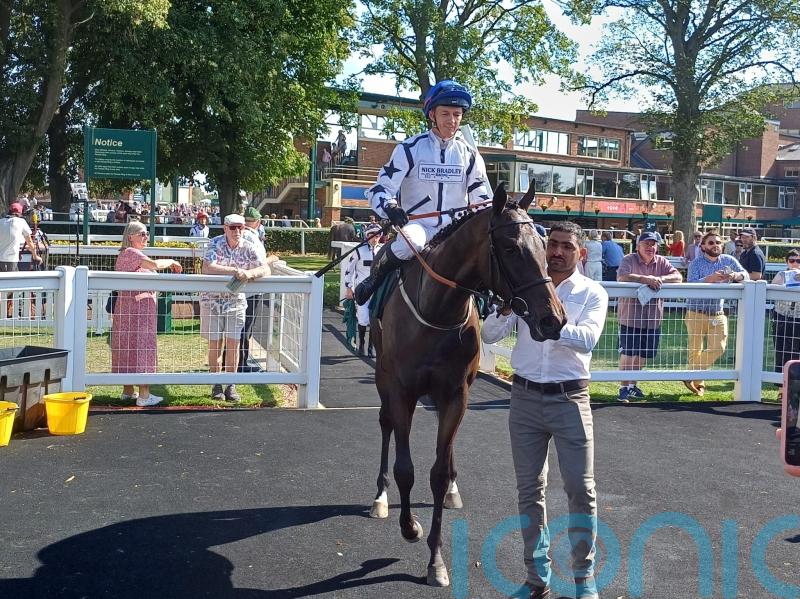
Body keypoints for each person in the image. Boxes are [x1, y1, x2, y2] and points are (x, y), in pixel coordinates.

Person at [481, 222, 607, 599]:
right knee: (529, 491)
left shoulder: (592, 292)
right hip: (523, 399)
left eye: (566, 246)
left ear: (580, 253)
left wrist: (548, 321)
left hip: (570, 400)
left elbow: (587, 341)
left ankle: (584, 579)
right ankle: (537, 579)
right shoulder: (524, 287)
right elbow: (488, 335)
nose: (557, 252)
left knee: (580, 490)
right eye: (552, 244)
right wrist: (506, 311)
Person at [354, 79, 491, 304]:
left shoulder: (471, 155)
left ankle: (490, 305)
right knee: (412, 244)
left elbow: (482, 198)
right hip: (418, 225)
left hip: (455, 228)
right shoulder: (409, 148)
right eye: (445, 113)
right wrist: (390, 207)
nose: (452, 120)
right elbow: (380, 189)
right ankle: (374, 280)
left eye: (457, 114)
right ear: (432, 115)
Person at [111, 221, 182, 407]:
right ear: (130, 236)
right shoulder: (131, 253)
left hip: (130, 309)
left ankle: (128, 391)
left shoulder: (127, 254)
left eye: (146, 233)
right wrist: (172, 261)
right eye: (142, 233)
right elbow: (155, 264)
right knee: (142, 347)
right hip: (137, 310)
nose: (145, 237)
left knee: (127, 346)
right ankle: (144, 394)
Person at [200, 214, 271, 401]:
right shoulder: (215, 243)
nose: (237, 231)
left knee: (234, 344)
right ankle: (216, 385)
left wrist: (248, 273)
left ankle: (231, 385)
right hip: (212, 302)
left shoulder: (248, 245)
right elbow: (207, 267)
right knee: (215, 344)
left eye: (241, 227)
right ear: (225, 228)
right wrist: (234, 271)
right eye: (233, 227)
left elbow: (265, 268)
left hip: (236, 302)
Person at [616, 232, 683, 401]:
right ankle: (623, 388)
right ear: (638, 245)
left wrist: (660, 278)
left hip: (653, 318)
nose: (650, 247)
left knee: (644, 354)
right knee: (628, 353)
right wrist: (644, 279)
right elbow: (622, 276)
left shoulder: (662, 262)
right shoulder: (628, 260)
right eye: (646, 243)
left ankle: (633, 386)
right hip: (630, 316)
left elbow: (678, 277)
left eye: (653, 244)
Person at [684, 231, 749, 396]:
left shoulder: (728, 260)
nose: (715, 245)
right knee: (695, 349)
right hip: (695, 312)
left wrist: (734, 275)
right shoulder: (696, 264)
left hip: (717, 313)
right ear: (703, 246)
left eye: (718, 242)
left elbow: (746, 275)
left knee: (718, 348)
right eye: (711, 243)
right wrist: (709, 279)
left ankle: (689, 374)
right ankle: (699, 384)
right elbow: (690, 286)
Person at [238, 208, 279, 372]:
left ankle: (234, 361)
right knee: (245, 326)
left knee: (237, 326)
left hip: (238, 287)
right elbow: (260, 263)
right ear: (258, 222)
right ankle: (241, 363)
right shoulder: (253, 238)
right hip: (251, 289)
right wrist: (273, 258)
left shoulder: (239, 234)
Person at [344, 223, 383, 357]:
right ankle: (361, 345)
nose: (374, 238)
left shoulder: (382, 251)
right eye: (371, 235)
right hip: (361, 291)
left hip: (377, 291)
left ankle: (371, 348)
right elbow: (349, 270)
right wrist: (348, 288)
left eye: (377, 236)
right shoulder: (359, 251)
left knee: (374, 319)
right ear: (367, 236)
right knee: (363, 319)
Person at [770, 250, 800, 375]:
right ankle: (782, 385)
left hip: (798, 317)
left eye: (798, 261)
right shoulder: (781, 274)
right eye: (791, 260)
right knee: (782, 350)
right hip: (783, 317)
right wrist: (789, 277)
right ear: (787, 262)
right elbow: (773, 289)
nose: (795, 263)